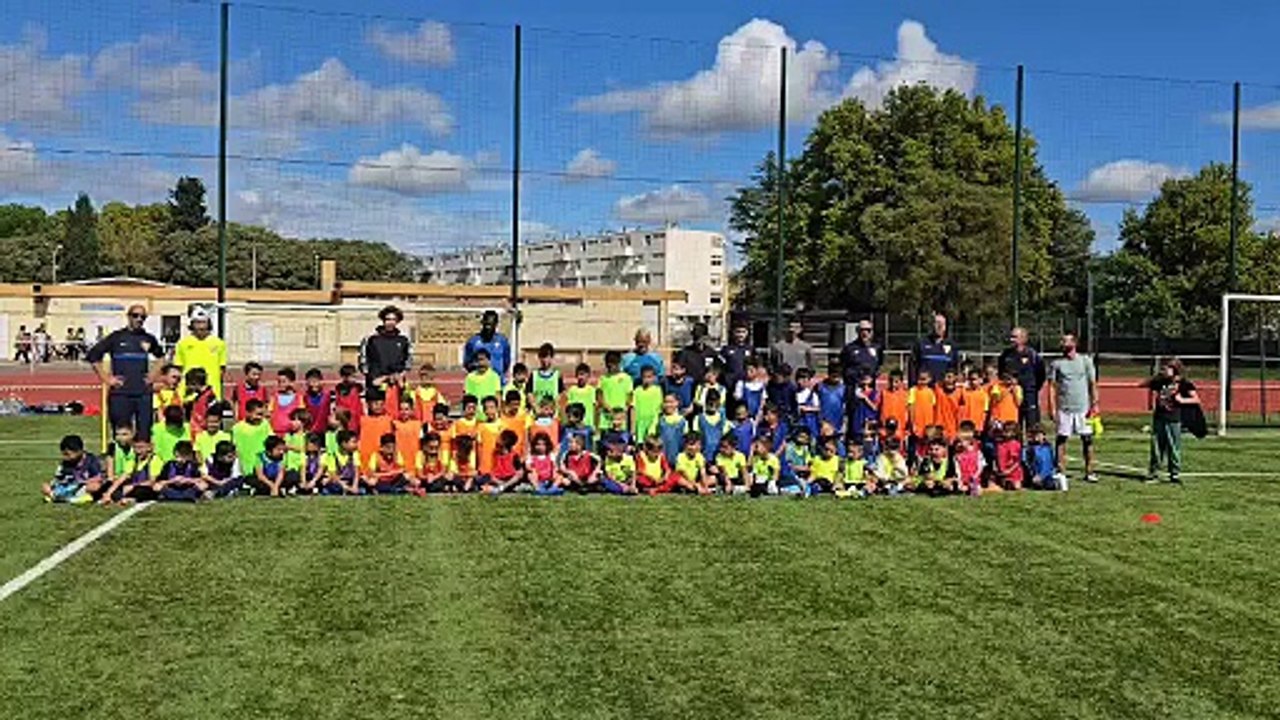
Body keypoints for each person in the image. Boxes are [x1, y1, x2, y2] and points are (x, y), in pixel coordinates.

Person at [85, 304, 166, 439]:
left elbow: (161, 358)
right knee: (121, 435)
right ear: (129, 317)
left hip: (143, 394)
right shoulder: (116, 337)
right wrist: (107, 378)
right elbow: (93, 356)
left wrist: (152, 376)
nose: (139, 319)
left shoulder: (148, 338)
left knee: (144, 434)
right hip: (120, 394)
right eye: (135, 315)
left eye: (142, 317)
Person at [1047, 332, 1099, 484]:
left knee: (1087, 439)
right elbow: (1051, 387)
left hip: (1083, 408)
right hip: (1065, 408)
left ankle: (1090, 471)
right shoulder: (1056, 364)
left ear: (1074, 343)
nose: (1063, 343)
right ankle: (1060, 470)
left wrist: (1095, 404)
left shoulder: (1085, 361)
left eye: (1066, 340)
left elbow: (1092, 384)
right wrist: (1052, 407)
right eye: (1062, 341)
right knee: (1061, 439)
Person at [1144, 359, 1199, 485]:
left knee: (1173, 447)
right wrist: (1157, 376)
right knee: (1157, 447)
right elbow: (1143, 384)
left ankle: (1174, 474)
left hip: (1173, 420)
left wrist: (1182, 400)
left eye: (1168, 368)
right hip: (1159, 418)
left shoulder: (1184, 383)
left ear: (1175, 370)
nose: (1165, 370)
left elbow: (1196, 399)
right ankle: (1154, 473)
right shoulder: (1160, 382)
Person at [360, 305, 412, 408]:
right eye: (388, 319)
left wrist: (399, 376)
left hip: (396, 385)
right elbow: (363, 361)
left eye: (394, 319)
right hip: (376, 385)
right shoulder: (371, 339)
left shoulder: (403, 340)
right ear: (383, 320)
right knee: (377, 417)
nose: (390, 322)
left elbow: (408, 361)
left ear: (397, 321)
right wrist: (374, 379)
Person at [998, 327, 1047, 428]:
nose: (1011, 340)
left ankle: (1033, 443)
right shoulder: (1005, 355)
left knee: (1032, 424)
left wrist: (1031, 387)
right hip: (1011, 395)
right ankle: (1016, 444)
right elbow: (1001, 373)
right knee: (1014, 425)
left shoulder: (1032, 355)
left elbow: (1041, 375)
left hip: (1029, 395)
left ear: (1024, 338)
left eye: (1015, 337)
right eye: (1011, 337)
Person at [173, 309, 227, 399]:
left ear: (208, 324)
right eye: (197, 323)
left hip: (212, 391)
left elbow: (222, 370)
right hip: (188, 391)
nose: (201, 326)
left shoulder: (219, 343)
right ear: (192, 324)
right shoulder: (182, 343)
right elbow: (179, 368)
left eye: (203, 322)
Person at [43, 435, 103, 504]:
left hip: (81, 487)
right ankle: (61, 497)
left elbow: (98, 478)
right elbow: (58, 477)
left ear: (79, 451)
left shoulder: (91, 460)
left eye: (68, 454)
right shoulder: (65, 463)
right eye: (64, 454)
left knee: (95, 486)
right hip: (67, 486)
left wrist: (82, 482)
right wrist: (52, 485)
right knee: (45, 486)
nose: (65, 457)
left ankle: (70, 498)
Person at [910, 313, 962, 386]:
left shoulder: (952, 346)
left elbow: (955, 369)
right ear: (932, 325)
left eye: (943, 324)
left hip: (943, 391)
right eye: (937, 323)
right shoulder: (920, 344)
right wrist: (912, 386)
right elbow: (912, 367)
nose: (940, 326)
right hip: (924, 390)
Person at [463, 310, 512, 379]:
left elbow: (506, 363)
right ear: (482, 323)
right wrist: (480, 369)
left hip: (498, 384)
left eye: (491, 324)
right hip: (480, 383)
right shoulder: (473, 342)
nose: (488, 327)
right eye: (486, 324)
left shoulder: (503, 341)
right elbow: (467, 363)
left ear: (496, 324)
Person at [839, 318, 883, 387]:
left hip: (870, 388)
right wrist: (858, 379)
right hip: (853, 388)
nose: (865, 333)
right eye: (862, 330)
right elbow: (843, 368)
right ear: (857, 331)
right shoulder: (849, 348)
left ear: (872, 332)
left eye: (868, 330)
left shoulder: (877, 348)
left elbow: (879, 367)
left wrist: (872, 377)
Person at [718, 321, 755, 399]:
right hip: (729, 387)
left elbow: (755, 367)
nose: (740, 335)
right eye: (738, 332)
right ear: (733, 333)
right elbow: (720, 367)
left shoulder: (751, 349)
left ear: (747, 333)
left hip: (745, 387)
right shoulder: (726, 349)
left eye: (743, 332)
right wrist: (726, 379)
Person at [464, 349, 503, 422]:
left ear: (489, 361)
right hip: (474, 418)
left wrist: (498, 413)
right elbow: (467, 398)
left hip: (490, 417)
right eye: (478, 360)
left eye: (483, 360)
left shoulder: (494, 377)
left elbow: (498, 397)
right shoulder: (470, 377)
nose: (481, 363)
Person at [528, 344, 564, 411]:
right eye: (542, 357)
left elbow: (561, 394)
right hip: (537, 415)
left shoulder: (557, 375)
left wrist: (554, 408)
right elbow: (529, 393)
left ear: (551, 357)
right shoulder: (534, 375)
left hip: (553, 416)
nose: (544, 360)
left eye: (547, 357)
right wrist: (536, 408)